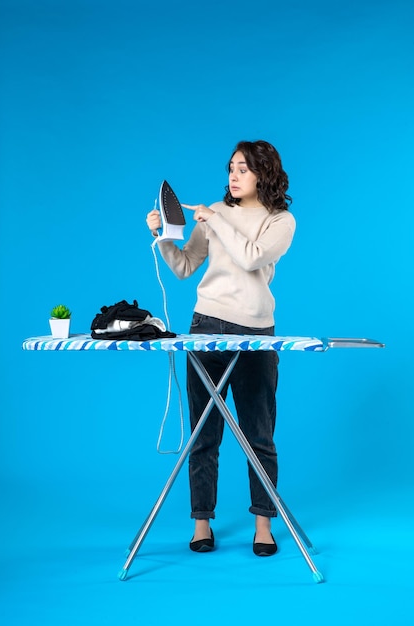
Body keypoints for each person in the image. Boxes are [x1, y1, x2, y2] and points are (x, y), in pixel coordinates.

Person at [146, 140, 295, 556]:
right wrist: (163, 237)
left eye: (243, 168)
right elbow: (185, 267)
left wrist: (216, 217)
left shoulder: (281, 220)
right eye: (231, 167)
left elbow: (251, 257)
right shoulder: (215, 212)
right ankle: (201, 523)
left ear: (264, 173)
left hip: (255, 331)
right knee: (203, 432)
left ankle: (263, 524)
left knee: (259, 433)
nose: (233, 175)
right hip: (207, 325)